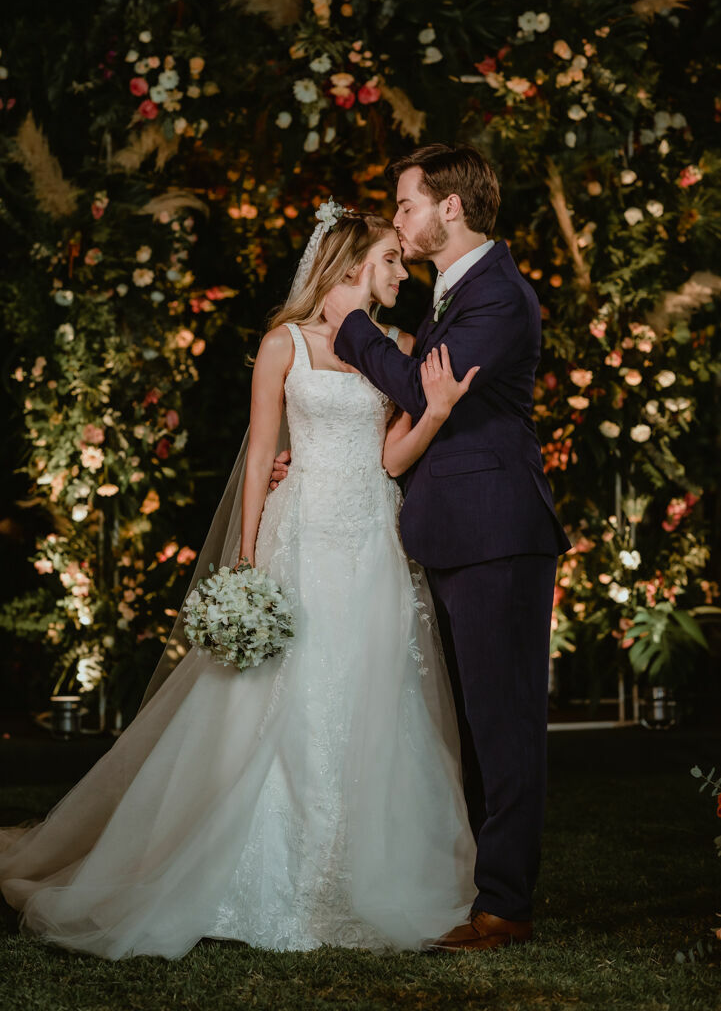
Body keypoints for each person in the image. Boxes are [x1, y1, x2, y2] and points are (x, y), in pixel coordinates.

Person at [0, 204, 481, 961]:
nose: (401, 272)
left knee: (371, 693)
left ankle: (360, 875)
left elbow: (391, 458)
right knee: (282, 701)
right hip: (301, 539)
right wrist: (250, 561)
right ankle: (264, 873)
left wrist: (438, 411)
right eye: (390, 259)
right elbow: (260, 456)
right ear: (354, 264)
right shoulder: (282, 343)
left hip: (371, 545)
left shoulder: (396, 346)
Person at [317, 144, 572, 953]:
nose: (398, 220)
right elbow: (420, 423)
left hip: (497, 532)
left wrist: (349, 325)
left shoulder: (496, 297)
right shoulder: (455, 294)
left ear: (449, 207)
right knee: (468, 725)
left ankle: (504, 908)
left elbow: (415, 389)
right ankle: (478, 888)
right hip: (456, 531)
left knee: (504, 726)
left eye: (405, 204)